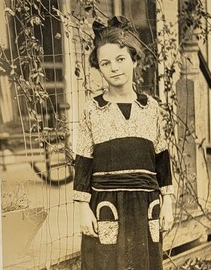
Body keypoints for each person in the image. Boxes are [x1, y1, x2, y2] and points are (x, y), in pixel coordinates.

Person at [73, 16, 174, 270]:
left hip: (145, 203)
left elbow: (162, 158)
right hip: (106, 203)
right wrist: (84, 208)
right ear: (99, 67)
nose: (115, 68)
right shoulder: (93, 110)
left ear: (134, 59)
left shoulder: (150, 108)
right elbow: (83, 161)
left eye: (121, 60)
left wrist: (168, 202)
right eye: (106, 63)